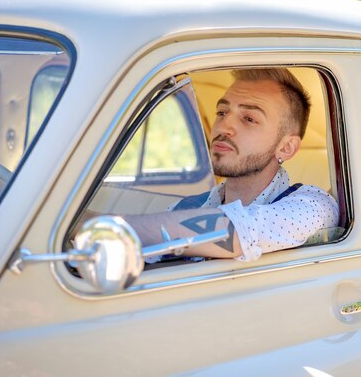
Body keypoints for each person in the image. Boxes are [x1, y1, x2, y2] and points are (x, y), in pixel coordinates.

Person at [120, 68, 339, 262]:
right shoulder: (185, 208)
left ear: (286, 147)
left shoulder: (313, 207)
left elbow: (236, 232)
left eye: (249, 119)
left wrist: (109, 229)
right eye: (222, 113)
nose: (224, 126)